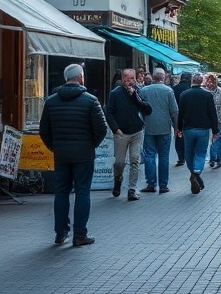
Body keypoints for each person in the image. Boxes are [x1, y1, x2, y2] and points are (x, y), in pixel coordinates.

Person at [38, 63, 109, 247]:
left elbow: (43, 130)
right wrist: (91, 144)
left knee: (61, 191)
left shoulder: (51, 101)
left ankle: (60, 233)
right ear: (80, 77)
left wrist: (53, 146)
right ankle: (80, 234)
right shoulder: (90, 100)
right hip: (84, 154)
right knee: (82, 192)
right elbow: (101, 128)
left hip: (61, 154)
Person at [105, 68, 153, 201]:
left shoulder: (139, 92)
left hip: (137, 132)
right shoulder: (115, 93)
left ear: (136, 79)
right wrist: (116, 129)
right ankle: (118, 180)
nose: (129, 80)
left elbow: (148, 109)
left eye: (131, 78)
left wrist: (135, 96)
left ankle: (132, 189)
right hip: (122, 133)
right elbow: (109, 113)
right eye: (126, 77)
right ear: (122, 78)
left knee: (134, 161)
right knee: (120, 162)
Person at [177, 73, 219, 194]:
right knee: (200, 153)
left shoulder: (184, 95)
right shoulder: (207, 95)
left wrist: (179, 128)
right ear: (202, 82)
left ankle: (192, 172)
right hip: (203, 129)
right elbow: (212, 114)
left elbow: (181, 113)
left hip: (188, 129)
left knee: (189, 153)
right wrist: (215, 130)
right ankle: (197, 171)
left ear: (191, 81)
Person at [139, 68, 179, 193]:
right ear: (163, 77)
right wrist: (176, 126)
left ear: (153, 77)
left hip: (149, 127)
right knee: (164, 156)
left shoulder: (144, 91)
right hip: (164, 128)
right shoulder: (168, 91)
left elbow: (139, 109)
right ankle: (163, 185)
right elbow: (174, 111)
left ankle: (151, 183)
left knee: (149, 155)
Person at [205, 73, 221, 168]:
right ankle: (217, 159)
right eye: (208, 81)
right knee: (211, 140)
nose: (210, 83)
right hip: (206, 120)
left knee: (217, 139)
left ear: (216, 82)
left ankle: (215, 159)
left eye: (212, 81)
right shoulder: (204, 92)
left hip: (218, 119)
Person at [172, 71, 192, 166]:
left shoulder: (174, 89)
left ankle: (181, 157)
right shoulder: (190, 89)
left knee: (178, 135)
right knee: (188, 136)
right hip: (188, 116)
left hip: (177, 116)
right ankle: (188, 155)